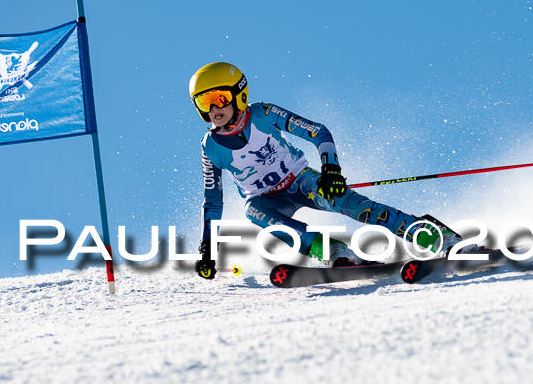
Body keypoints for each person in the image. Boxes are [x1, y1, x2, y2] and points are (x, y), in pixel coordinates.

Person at [190, 62, 466, 279]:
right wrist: (207, 246)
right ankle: (335, 252)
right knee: (254, 213)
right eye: (205, 102)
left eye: (220, 97)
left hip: (301, 181)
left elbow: (318, 132)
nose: (214, 108)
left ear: (240, 93)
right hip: (264, 198)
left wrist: (330, 170)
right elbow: (213, 202)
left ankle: (439, 239)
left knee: (355, 205)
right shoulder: (210, 147)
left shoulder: (263, 113)